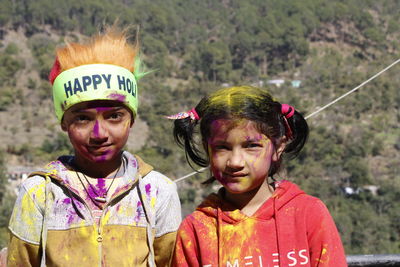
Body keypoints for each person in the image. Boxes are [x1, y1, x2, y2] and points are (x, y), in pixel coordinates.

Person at [7, 26, 181, 267]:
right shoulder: (38, 194)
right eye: (82, 118)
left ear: (132, 119)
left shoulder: (158, 192)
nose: (99, 134)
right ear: (64, 123)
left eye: (114, 116)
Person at [170, 86, 347, 267]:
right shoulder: (196, 231)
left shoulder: (307, 214)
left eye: (251, 146)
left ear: (278, 147)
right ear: (207, 149)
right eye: (222, 147)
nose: (235, 161)